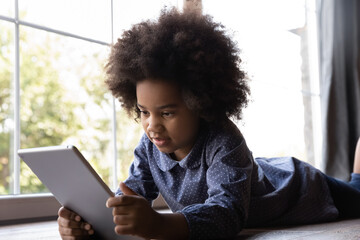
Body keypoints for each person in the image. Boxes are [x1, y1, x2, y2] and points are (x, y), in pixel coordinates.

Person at [57, 8, 360, 240]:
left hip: (300, 189)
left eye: (167, 113)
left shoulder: (224, 140)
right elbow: (133, 193)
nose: (152, 126)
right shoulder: (150, 147)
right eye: (144, 112)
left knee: (357, 193)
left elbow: (228, 214)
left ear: (200, 103)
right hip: (257, 173)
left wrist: (160, 224)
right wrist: (93, 222)